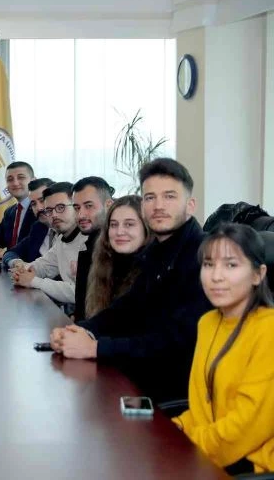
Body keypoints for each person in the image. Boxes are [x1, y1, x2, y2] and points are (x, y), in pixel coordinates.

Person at [52, 158, 212, 404]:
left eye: (169, 196)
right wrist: (80, 330)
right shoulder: (157, 251)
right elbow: (127, 308)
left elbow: (177, 342)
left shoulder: (204, 257)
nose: (158, 206)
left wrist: (96, 347)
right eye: (150, 197)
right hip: (145, 377)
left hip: (179, 393)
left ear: (190, 205)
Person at [174, 224, 274, 475]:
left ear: (258, 274)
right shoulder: (207, 323)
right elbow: (202, 408)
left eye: (231, 265)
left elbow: (246, 427)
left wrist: (184, 445)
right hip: (211, 452)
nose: (216, 276)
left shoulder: (268, 329)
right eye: (208, 264)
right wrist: (172, 429)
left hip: (252, 465)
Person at [12, 182, 87, 305]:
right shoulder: (61, 239)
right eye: (49, 210)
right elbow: (45, 265)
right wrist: (23, 271)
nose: (54, 215)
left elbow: (80, 292)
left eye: (61, 207)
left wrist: (34, 281)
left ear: (76, 207)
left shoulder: (89, 240)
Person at [83, 195, 149, 318]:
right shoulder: (104, 263)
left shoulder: (153, 272)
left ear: (146, 229)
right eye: (114, 225)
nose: (119, 232)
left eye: (129, 224)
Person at [71, 176, 114, 320]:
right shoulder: (90, 244)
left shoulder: (116, 249)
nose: (80, 215)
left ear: (108, 205)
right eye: (76, 208)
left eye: (89, 206)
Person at [0, 161, 37, 259]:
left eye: (21, 177)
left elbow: (35, 245)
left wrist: (8, 253)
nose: (15, 183)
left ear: (33, 181)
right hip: (8, 265)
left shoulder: (40, 209)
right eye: (10, 179)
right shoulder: (10, 212)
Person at [3, 177, 56, 268]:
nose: (39, 208)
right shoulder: (38, 228)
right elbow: (10, 253)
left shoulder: (68, 230)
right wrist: (16, 262)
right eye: (33, 204)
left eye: (42, 200)